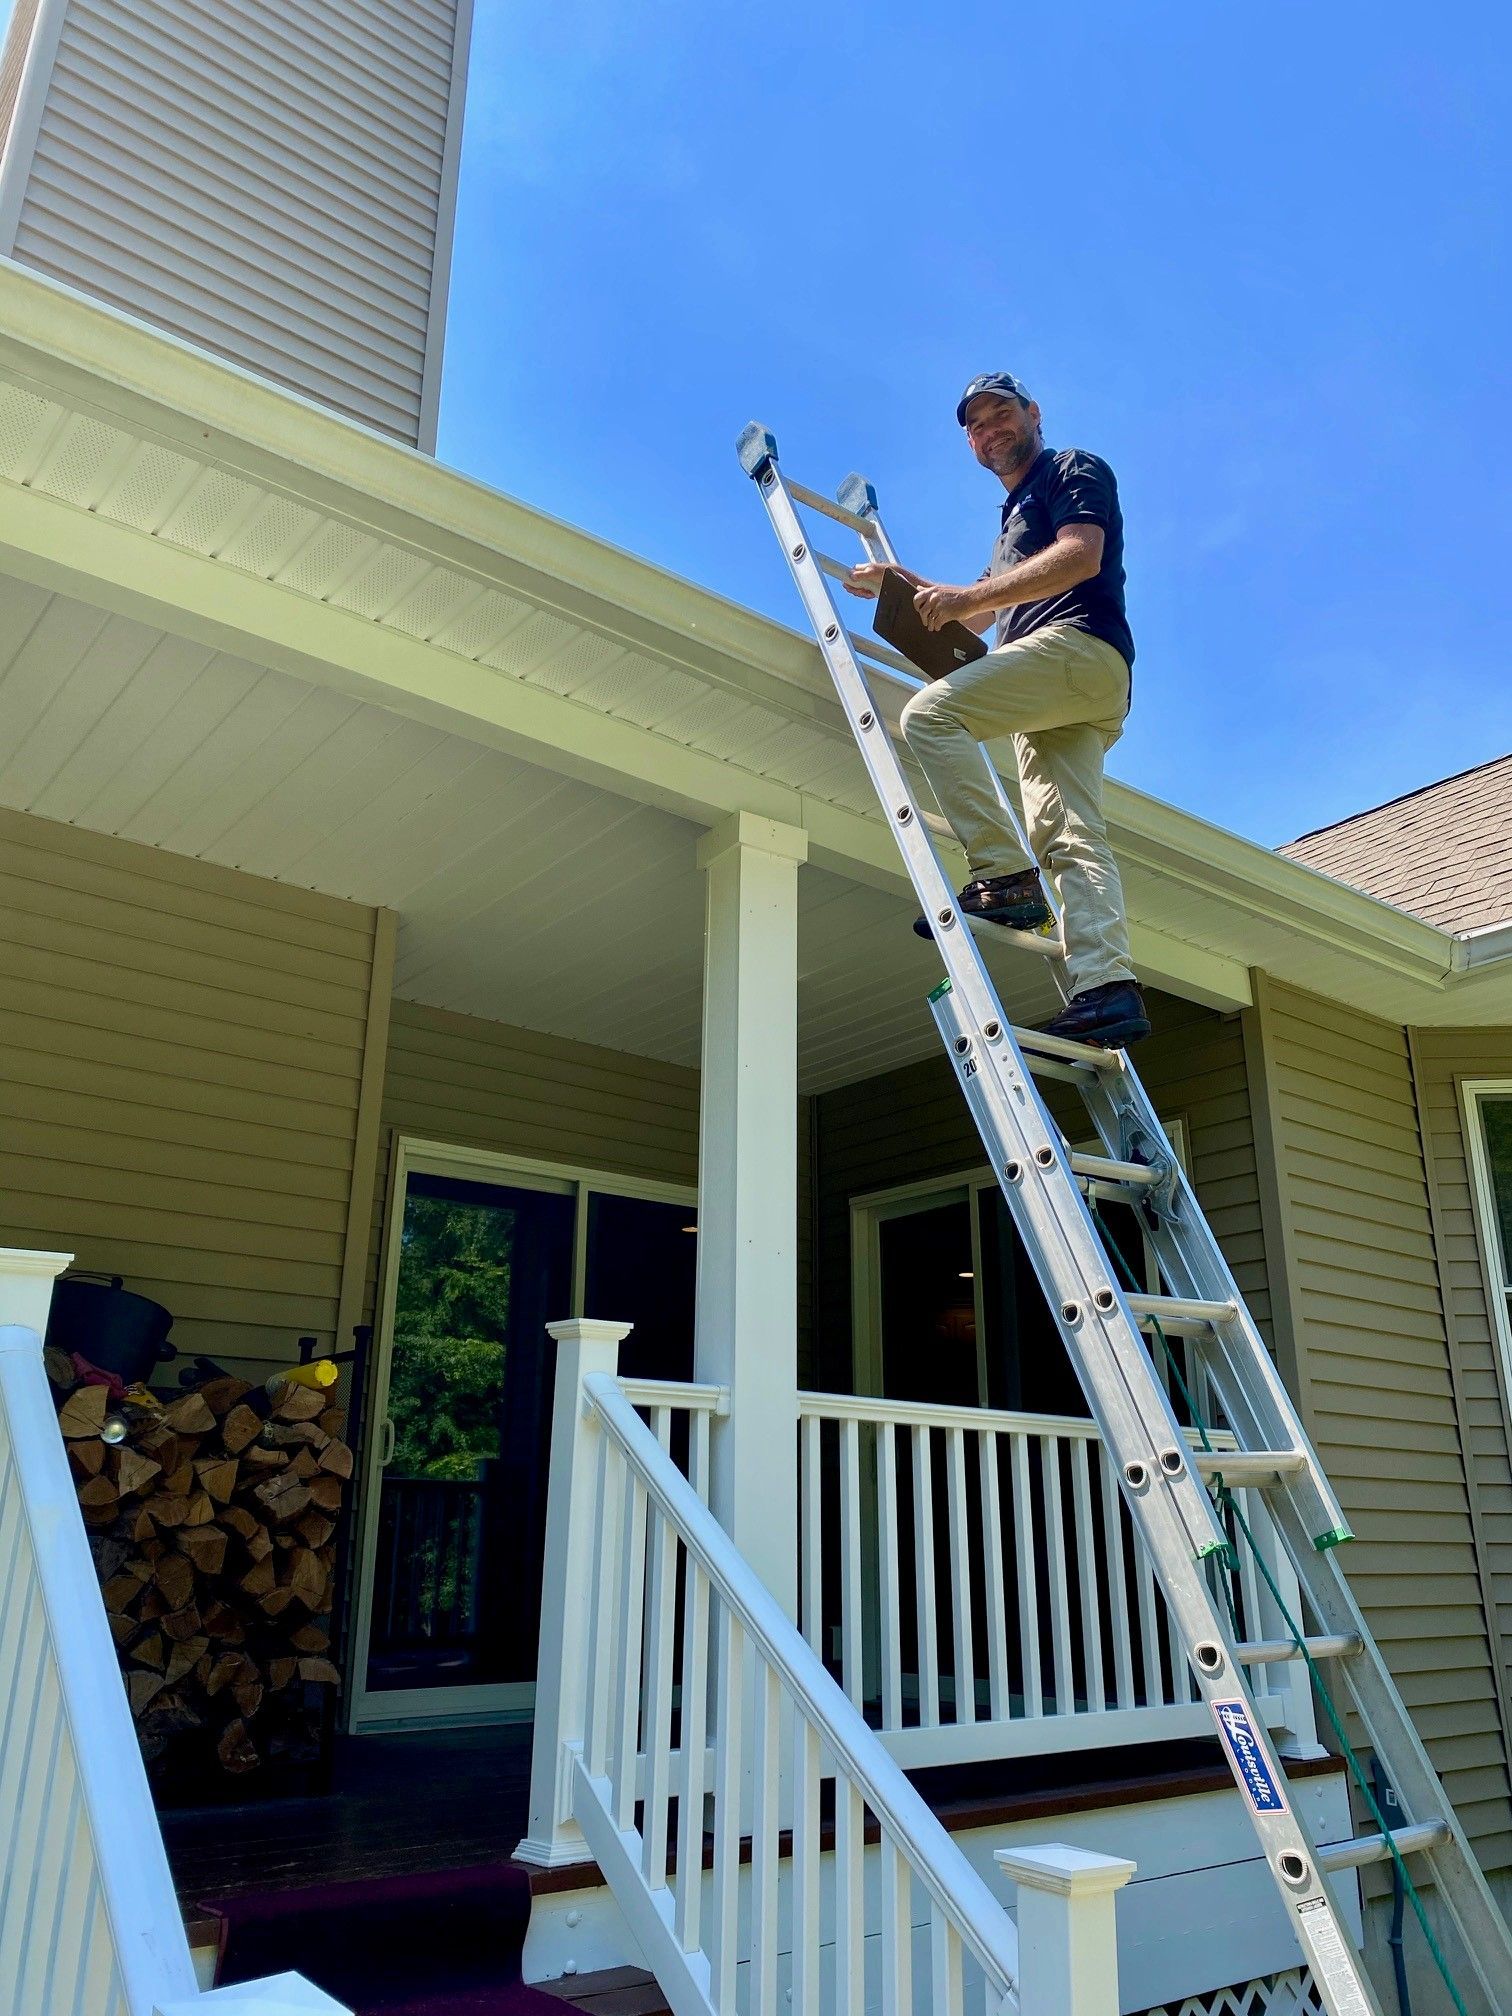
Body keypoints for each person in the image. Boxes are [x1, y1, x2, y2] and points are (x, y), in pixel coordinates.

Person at [845, 371, 1149, 1048]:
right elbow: (976, 610)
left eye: (1000, 414)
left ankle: (1004, 878)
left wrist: (959, 600)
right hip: (1064, 690)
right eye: (976, 426)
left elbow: (1080, 555)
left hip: (1075, 649)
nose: (990, 431)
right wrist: (897, 584)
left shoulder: (1070, 469)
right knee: (1069, 836)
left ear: (1033, 413)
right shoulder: (1011, 528)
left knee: (930, 716)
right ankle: (1108, 988)